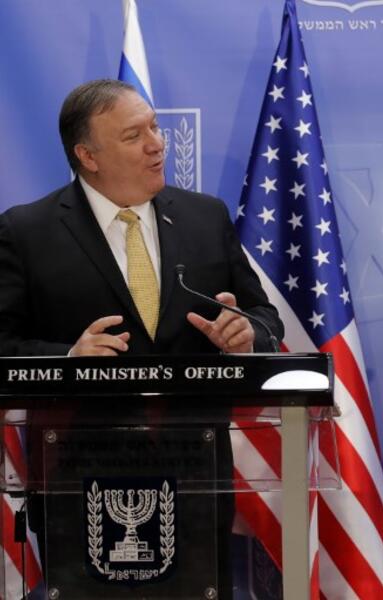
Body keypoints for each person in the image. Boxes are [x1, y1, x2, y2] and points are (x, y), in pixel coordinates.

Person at [0, 79, 283, 598]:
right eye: (134, 135)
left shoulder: (204, 216)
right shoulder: (27, 230)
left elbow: (264, 316)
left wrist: (246, 334)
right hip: (79, 482)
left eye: (155, 127)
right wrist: (68, 357)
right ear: (88, 155)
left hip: (196, 476)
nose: (157, 144)